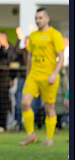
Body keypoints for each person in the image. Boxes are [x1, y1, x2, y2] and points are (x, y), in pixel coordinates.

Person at [18, 8, 65, 147]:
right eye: (36, 18)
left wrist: (54, 74)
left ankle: (49, 138)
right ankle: (31, 134)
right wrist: (28, 75)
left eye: (40, 18)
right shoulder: (33, 36)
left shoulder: (55, 34)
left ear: (47, 19)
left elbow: (61, 57)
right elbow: (30, 56)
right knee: (24, 103)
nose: (38, 21)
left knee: (49, 108)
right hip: (34, 75)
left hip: (49, 76)